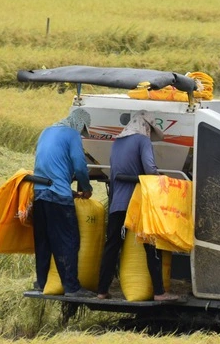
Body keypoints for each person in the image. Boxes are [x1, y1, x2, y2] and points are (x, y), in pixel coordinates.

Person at [97, 110, 180, 302]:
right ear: (145, 126)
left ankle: (102, 291)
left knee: (112, 246)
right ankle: (159, 292)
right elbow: (150, 168)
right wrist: (162, 179)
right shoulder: (143, 141)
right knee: (151, 245)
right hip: (138, 203)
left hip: (117, 203)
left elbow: (114, 173)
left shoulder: (117, 142)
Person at [31, 107, 96, 298]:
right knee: (67, 241)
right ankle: (72, 287)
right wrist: (86, 188)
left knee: (44, 241)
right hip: (58, 196)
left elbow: (49, 162)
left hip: (39, 193)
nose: (81, 133)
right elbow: (79, 164)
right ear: (80, 124)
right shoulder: (72, 134)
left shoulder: (47, 131)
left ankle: (41, 283)